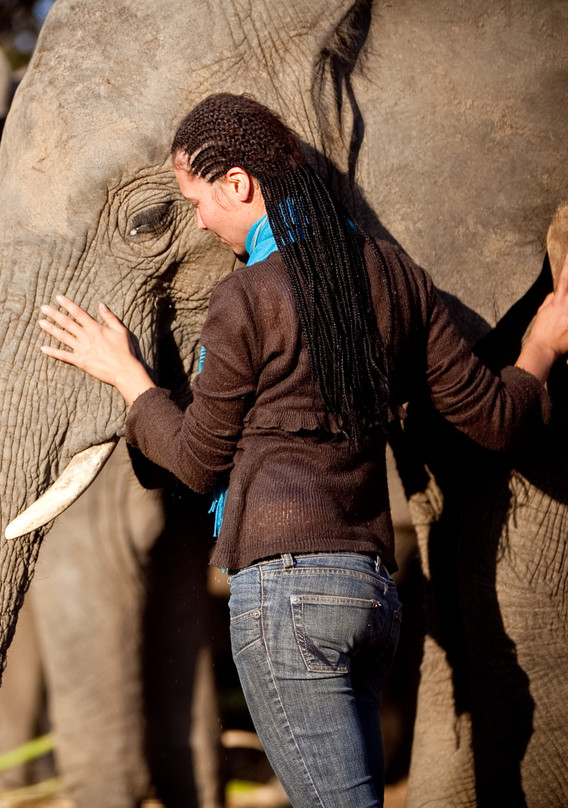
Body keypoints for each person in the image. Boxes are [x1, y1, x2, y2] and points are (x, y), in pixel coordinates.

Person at [37, 92, 568, 808]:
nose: (199, 221)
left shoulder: (246, 297)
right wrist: (539, 347)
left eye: (199, 201)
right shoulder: (395, 276)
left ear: (239, 185)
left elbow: (197, 462)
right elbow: (496, 418)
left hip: (284, 597)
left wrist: (132, 382)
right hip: (371, 594)